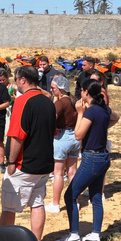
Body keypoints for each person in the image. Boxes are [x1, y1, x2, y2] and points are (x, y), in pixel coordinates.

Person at [0, 66, 55, 241]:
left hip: (25, 163)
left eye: (16, 80)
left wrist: (11, 161)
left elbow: (16, 135)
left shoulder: (23, 101)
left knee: (9, 207)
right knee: (37, 202)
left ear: (22, 80)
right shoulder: (48, 101)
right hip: (45, 163)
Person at [55, 78, 120, 241]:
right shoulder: (104, 109)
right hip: (103, 157)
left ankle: (74, 235)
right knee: (96, 197)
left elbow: (78, 135)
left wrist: (81, 113)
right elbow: (116, 117)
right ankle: (95, 235)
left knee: (70, 195)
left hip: (91, 158)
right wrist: (102, 127)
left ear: (85, 92)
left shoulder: (90, 112)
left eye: (81, 91)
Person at [47, 75, 79, 213]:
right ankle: (74, 202)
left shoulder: (60, 103)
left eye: (53, 88)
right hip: (75, 137)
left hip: (62, 137)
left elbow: (50, 117)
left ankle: (56, 203)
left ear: (60, 89)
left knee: (58, 173)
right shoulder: (74, 101)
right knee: (72, 171)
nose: (51, 90)